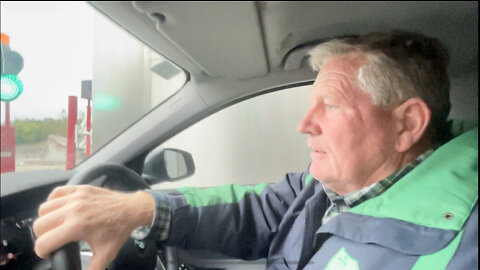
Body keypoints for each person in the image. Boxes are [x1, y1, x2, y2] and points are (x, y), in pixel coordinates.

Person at [33, 30, 478, 270]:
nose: (305, 125)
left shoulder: (462, 245)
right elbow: (262, 213)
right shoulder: (337, 181)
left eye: (332, 105)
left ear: (408, 124)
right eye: (310, 106)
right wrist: (140, 209)